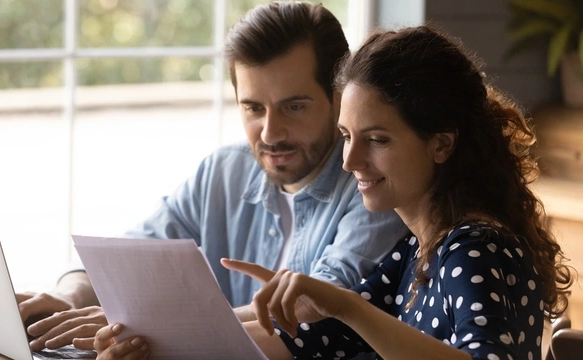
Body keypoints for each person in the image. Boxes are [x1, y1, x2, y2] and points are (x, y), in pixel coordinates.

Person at [93, 25, 574, 359]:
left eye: (377, 140)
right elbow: (312, 334)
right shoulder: (418, 248)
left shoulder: (478, 247)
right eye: (347, 137)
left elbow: (348, 316)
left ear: (441, 143)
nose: (350, 162)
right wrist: (147, 338)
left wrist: (344, 305)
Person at [16, 1, 408, 353]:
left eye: (294, 106)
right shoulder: (223, 172)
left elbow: (316, 306)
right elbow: (129, 256)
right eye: (253, 108)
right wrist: (67, 298)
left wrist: (149, 329)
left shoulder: (372, 187)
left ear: (339, 98)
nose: (270, 133)